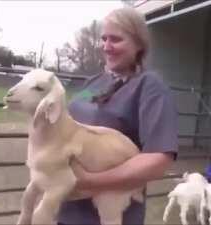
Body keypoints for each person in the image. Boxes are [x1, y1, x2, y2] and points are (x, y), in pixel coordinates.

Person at [58, 6, 178, 225]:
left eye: (116, 39)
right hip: (66, 210)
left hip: (110, 214)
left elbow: (159, 158)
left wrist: (90, 182)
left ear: (139, 44)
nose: (106, 47)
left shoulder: (149, 87)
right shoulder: (94, 83)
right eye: (104, 39)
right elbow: (71, 116)